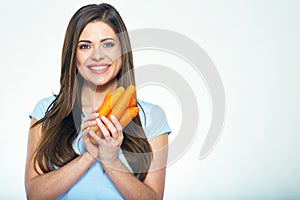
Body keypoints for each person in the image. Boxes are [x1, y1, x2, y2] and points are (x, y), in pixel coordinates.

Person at [25, 3, 171, 200]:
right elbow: (34, 194)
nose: (98, 55)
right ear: (73, 55)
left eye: (108, 44)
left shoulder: (151, 117)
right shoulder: (46, 112)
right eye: (85, 46)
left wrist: (110, 159)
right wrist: (89, 155)